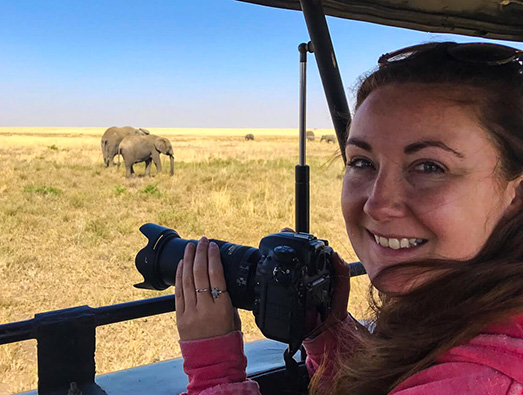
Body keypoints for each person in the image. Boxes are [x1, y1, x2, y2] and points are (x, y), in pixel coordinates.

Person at [174, 41, 523, 395]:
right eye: (362, 162)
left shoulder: (479, 382)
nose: (377, 204)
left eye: (430, 167)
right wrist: (328, 330)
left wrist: (214, 372)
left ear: (516, 195)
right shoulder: (475, 327)